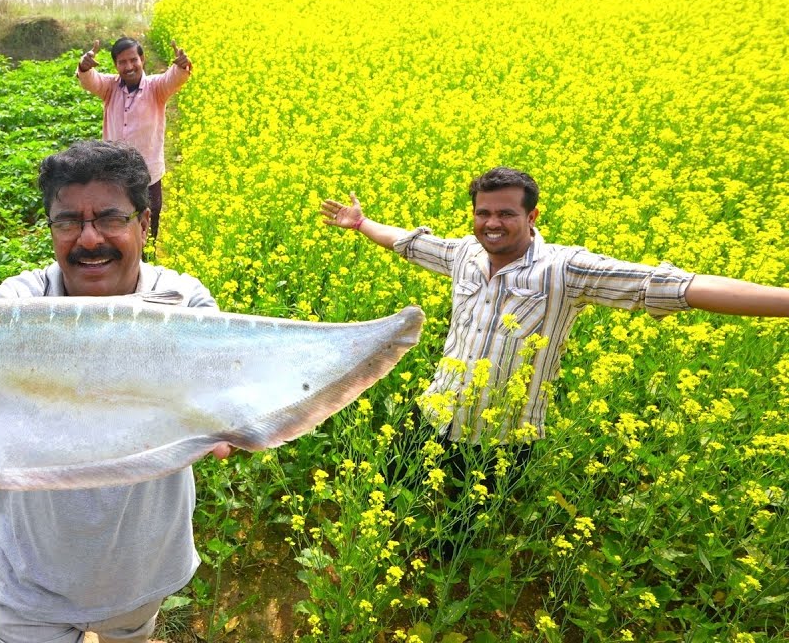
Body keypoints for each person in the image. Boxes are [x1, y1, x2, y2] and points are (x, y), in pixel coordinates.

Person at [322, 167, 789, 556]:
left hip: (503, 434)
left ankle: (439, 577)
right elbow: (409, 243)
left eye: (506, 213)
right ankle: (371, 554)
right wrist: (362, 224)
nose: (492, 223)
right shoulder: (465, 254)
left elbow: (671, 286)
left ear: (531, 215)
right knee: (383, 491)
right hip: (437, 409)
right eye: (483, 213)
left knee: (459, 532)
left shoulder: (565, 269)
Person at [0, 140, 230, 643]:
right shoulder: (16, 304)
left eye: (109, 218)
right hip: (31, 576)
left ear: (144, 224)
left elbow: (224, 380)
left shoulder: (182, 302)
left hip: (141, 572)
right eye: (68, 222)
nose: (88, 239)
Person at [76, 37, 192, 238]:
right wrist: (84, 68)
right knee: (117, 218)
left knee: (149, 216)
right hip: (114, 171)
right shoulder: (109, 87)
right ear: (116, 65)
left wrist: (182, 67)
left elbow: (173, 78)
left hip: (148, 171)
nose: (128, 66)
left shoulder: (156, 88)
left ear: (142, 60)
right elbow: (90, 80)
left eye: (133, 60)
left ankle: (147, 260)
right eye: (122, 62)